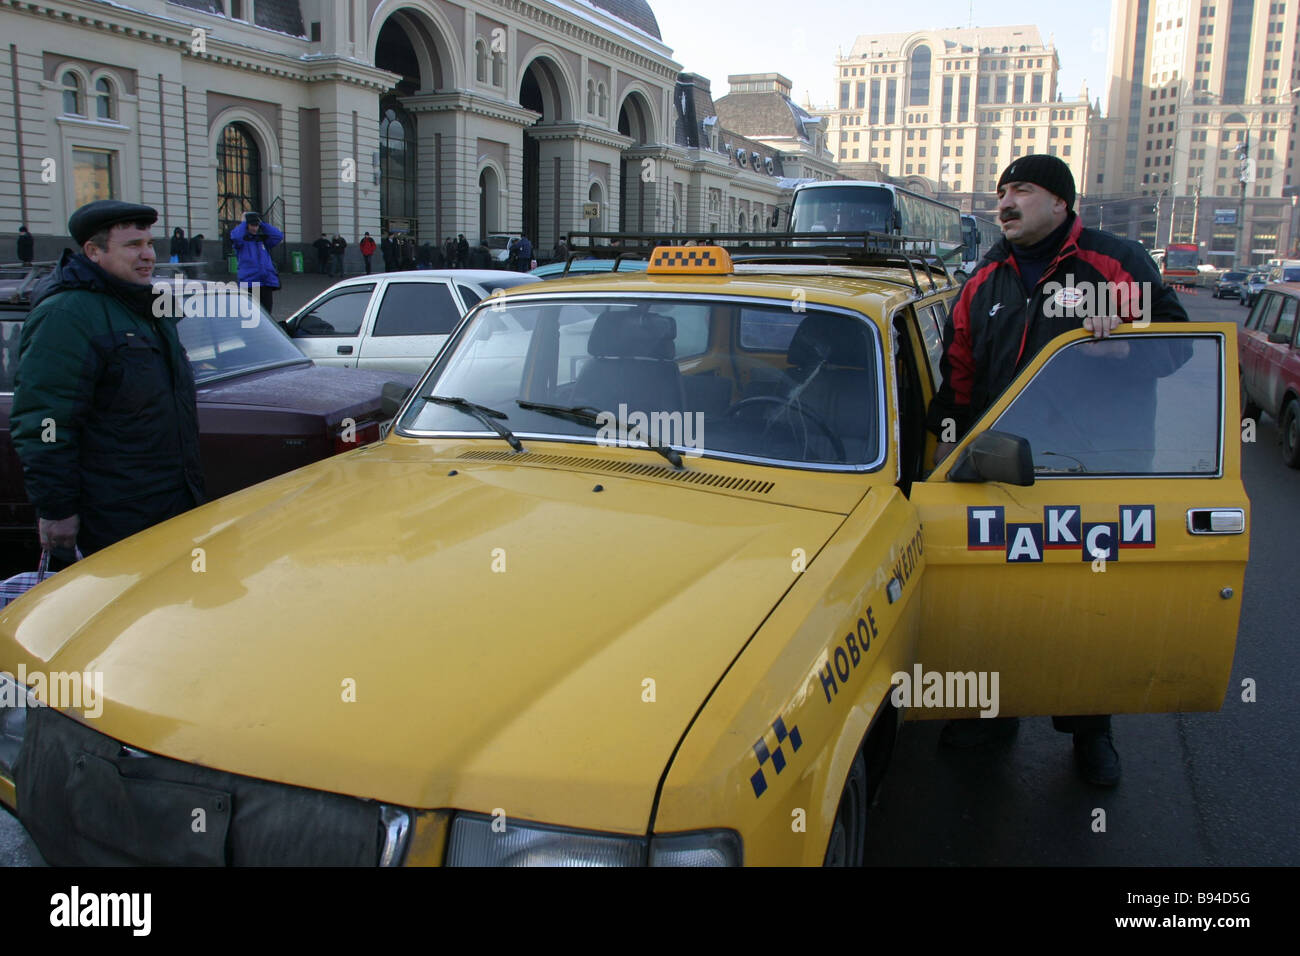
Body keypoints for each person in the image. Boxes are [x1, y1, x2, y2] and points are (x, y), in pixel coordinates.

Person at [925, 154, 1189, 787]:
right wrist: (945, 455)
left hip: (1095, 470)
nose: (1005, 203)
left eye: (1021, 190)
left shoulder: (1114, 263)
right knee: (993, 597)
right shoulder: (986, 275)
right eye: (1001, 193)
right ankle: (992, 711)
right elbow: (960, 374)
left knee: (1086, 604)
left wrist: (1129, 341)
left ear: (1061, 204)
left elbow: (1181, 341)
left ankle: (1090, 731)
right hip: (1000, 469)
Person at [10, 200, 204, 558]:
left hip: (170, 502)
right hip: (114, 517)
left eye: (149, 244)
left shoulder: (145, 307)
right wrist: (56, 509)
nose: (148, 255)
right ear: (93, 251)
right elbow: (46, 421)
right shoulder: (67, 315)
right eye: (133, 245)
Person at [230, 211, 282, 316]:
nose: (255, 228)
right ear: (247, 226)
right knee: (250, 317)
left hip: (265, 282)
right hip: (249, 282)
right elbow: (236, 237)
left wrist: (262, 223)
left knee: (266, 315)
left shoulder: (262, 240)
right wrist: (244, 222)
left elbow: (278, 236)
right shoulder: (241, 242)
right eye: (252, 225)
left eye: (256, 225)